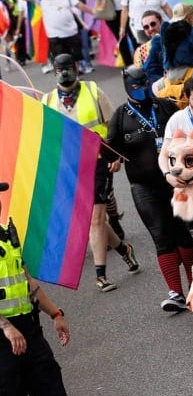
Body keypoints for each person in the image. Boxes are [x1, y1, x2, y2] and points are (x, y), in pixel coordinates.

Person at [0, 186, 97, 396]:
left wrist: (55, 313)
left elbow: (25, 279)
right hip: (2, 336)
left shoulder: (7, 232)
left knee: (52, 394)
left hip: (28, 327)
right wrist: (5, 326)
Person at [105, 65, 193, 312]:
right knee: (161, 235)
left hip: (175, 182)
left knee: (183, 233)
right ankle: (176, 293)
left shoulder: (165, 107)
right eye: (137, 87)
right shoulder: (120, 117)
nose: (143, 90)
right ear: (128, 88)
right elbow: (111, 151)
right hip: (144, 187)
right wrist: (104, 153)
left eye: (146, 84)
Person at [42, 54, 136, 293]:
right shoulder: (48, 101)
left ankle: (101, 276)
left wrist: (115, 156)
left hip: (98, 163)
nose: (64, 73)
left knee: (95, 219)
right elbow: (48, 140)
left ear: (76, 68)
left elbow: (112, 126)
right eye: (59, 69)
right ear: (54, 72)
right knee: (93, 221)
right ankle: (124, 250)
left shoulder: (94, 91)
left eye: (68, 68)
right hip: (69, 169)